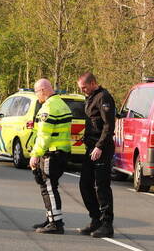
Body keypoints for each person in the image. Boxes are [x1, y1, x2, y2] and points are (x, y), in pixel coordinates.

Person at [29, 78, 73, 234]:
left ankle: (56, 223)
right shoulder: (62, 104)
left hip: (51, 153)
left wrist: (35, 154)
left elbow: (44, 135)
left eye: (36, 92)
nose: (36, 96)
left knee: (48, 187)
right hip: (62, 151)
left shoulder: (48, 108)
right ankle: (51, 218)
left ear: (43, 90)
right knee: (48, 186)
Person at [77, 72, 117, 238]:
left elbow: (109, 125)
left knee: (101, 186)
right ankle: (96, 219)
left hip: (102, 149)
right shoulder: (90, 98)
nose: (82, 90)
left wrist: (100, 146)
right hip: (90, 148)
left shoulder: (103, 98)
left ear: (93, 83)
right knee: (84, 184)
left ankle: (107, 224)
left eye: (84, 87)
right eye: (81, 88)